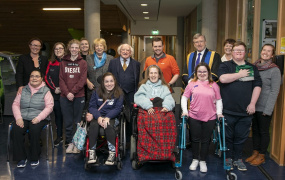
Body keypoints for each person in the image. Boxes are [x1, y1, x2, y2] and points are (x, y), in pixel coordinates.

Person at [218, 42, 262, 171]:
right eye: (236, 50)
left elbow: (257, 86)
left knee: (241, 137)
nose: (238, 52)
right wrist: (240, 74)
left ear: (245, 52)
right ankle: (228, 158)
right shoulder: (225, 65)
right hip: (228, 110)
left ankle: (238, 159)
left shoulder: (252, 67)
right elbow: (223, 79)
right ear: (232, 52)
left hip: (245, 111)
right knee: (228, 137)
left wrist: (253, 103)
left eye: (241, 50)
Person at [181, 62, 223, 173]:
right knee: (194, 139)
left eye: (204, 71)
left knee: (205, 140)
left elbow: (218, 100)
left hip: (210, 116)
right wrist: (185, 111)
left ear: (208, 72)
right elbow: (184, 98)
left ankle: (203, 161)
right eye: (199, 71)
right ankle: (195, 159)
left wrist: (219, 112)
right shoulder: (191, 84)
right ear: (196, 73)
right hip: (194, 116)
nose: (202, 73)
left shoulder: (214, 85)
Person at [246, 44, 281, 166]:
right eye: (264, 50)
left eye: (269, 51)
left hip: (265, 106)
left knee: (263, 131)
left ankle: (262, 155)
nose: (265, 52)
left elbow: (274, 91)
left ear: (272, 55)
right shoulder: (254, 66)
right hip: (253, 105)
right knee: (254, 130)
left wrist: (268, 109)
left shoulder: (274, 69)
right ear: (261, 51)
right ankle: (255, 152)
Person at [134, 65, 176, 162]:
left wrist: (167, 106)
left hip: (161, 110)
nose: (153, 75)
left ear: (159, 75)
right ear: (148, 75)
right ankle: (148, 152)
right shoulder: (143, 86)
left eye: (155, 73)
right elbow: (138, 98)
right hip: (148, 110)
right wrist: (148, 106)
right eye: (151, 73)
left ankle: (165, 152)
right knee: (146, 119)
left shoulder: (164, 87)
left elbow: (169, 98)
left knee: (170, 117)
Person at [12, 70, 54, 168]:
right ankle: (21, 158)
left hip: (39, 116)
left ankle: (34, 157)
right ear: (29, 78)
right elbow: (15, 104)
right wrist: (18, 118)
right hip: (23, 117)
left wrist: (38, 118)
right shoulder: (23, 89)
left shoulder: (45, 91)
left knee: (34, 129)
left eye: (37, 76)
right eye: (32, 76)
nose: (34, 78)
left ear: (41, 79)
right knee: (16, 129)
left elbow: (49, 107)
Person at [86, 72, 124, 165]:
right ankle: (92, 152)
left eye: (111, 81)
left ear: (114, 82)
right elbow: (92, 107)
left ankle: (112, 153)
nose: (109, 84)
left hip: (112, 117)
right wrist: (98, 117)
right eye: (106, 81)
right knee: (93, 125)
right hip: (98, 116)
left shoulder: (119, 92)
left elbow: (118, 108)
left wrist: (107, 117)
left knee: (109, 125)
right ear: (103, 83)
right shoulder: (96, 92)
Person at [59, 39, 87, 153]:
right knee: (68, 121)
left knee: (77, 121)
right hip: (65, 97)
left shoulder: (83, 63)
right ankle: (69, 143)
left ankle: (77, 143)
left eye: (76, 47)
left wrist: (73, 92)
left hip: (79, 96)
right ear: (69, 49)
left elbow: (83, 80)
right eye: (72, 47)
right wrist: (67, 93)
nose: (74, 49)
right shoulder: (63, 62)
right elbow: (61, 79)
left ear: (79, 49)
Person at [108, 43, 140, 141]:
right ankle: (116, 137)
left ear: (131, 52)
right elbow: (109, 76)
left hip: (131, 94)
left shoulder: (136, 64)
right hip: (116, 93)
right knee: (116, 114)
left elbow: (137, 79)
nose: (125, 52)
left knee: (130, 116)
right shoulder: (113, 62)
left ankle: (129, 139)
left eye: (128, 50)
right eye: (123, 50)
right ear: (119, 51)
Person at [45, 42, 66, 147]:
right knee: (58, 117)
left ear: (64, 49)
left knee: (68, 117)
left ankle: (70, 139)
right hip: (56, 94)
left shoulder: (69, 61)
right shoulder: (51, 63)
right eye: (56, 49)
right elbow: (47, 77)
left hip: (68, 95)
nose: (58, 50)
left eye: (60, 48)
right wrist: (54, 89)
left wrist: (65, 89)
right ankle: (59, 136)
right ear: (53, 51)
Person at [86, 38, 113, 106]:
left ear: (104, 47)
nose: (99, 48)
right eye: (97, 46)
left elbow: (113, 74)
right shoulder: (88, 58)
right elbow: (83, 73)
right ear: (94, 48)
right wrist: (87, 82)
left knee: (105, 109)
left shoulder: (110, 58)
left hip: (106, 89)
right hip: (92, 88)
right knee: (92, 109)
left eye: (101, 45)